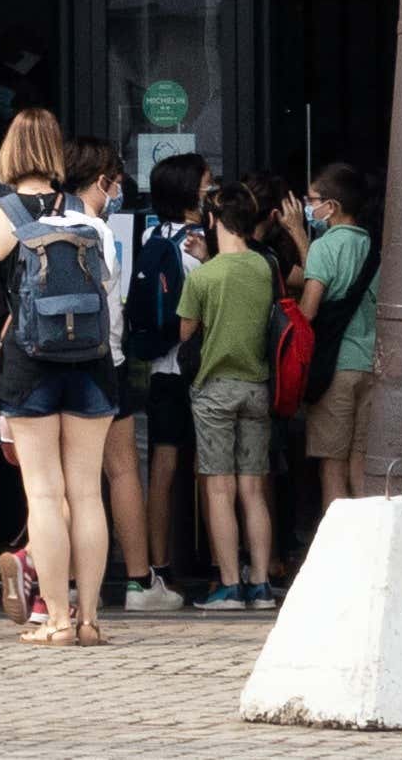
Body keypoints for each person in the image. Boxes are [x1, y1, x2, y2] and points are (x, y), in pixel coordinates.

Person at [0, 108, 129, 649]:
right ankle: (91, 618)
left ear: (9, 152)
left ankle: (55, 620)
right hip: (93, 364)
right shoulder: (88, 215)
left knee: (45, 496)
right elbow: (109, 292)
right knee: (88, 494)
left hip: (29, 365)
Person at [178, 178, 287, 607]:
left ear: (213, 219)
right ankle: (260, 583)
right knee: (253, 490)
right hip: (257, 388)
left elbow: (186, 330)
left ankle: (228, 583)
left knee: (219, 490)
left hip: (215, 391)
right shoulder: (264, 267)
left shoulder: (204, 277)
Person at [112, 153, 210, 614]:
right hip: (196, 368)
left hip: (160, 370)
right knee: (211, 469)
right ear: (193, 191)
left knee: (163, 472)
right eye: (206, 183)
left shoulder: (150, 235)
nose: (211, 190)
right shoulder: (200, 243)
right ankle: (222, 567)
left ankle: (159, 566)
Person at [296, 164, 379, 513]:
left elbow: (310, 309)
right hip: (370, 364)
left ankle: (338, 553)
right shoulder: (374, 246)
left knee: (331, 464)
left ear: (331, 206)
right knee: (359, 464)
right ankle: (368, 550)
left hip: (335, 368)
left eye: (311, 199)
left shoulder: (325, 247)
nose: (307, 206)